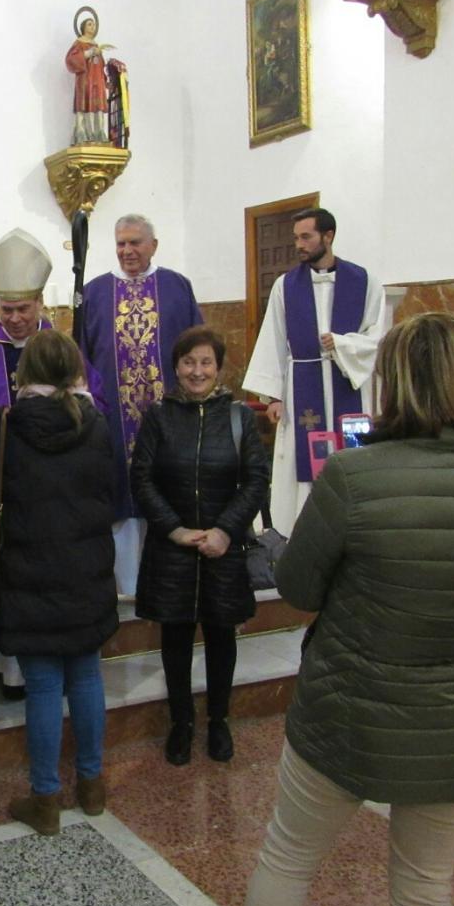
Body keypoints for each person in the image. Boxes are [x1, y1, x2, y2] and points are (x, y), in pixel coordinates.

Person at [239, 312, 454, 906]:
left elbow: (299, 589)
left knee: (289, 858)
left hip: (353, 711)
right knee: (425, 885)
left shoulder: (357, 477)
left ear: (394, 383)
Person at [0, 329, 120, 836]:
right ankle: (93, 787)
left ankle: (46, 799)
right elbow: (113, 487)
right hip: (87, 569)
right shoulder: (96, 423)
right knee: (86, 678)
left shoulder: (8, 425)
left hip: (29, 571)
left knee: (43, 686)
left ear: (25, 373)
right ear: (75, 370)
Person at [0, 228, 105, 695]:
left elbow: (94, 409)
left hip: (59, 497)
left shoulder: (65, 353)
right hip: (3, 494)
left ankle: (46, 674)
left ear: (40, 304)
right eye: (6, 309)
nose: (14, 319)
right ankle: (10, 673)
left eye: (23, 309)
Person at [130, 326, 270, 766]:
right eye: (189, 362)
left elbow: (255, 480)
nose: (197, 371)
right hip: (173, 546)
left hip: (222, 547)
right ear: (176, 366)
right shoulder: (158, 416)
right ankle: (181, 723)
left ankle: (219, 722)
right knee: (174, 637)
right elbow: (142, 478)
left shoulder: (239, 417)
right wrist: (173, 529)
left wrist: (225, 530)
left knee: (220, 636)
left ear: (218, 366)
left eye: (206, 362)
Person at [243, 208, 387, 535]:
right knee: (301, 462)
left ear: (329, 236)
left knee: (351, 459)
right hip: (301, 387)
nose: (299, 244)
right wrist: (274, 397)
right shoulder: (286, 286)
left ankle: (353, 529)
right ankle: (301, 534)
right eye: (296, 238)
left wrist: (341, 344)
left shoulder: (365, 282)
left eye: (305, 237)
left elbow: (376, 338)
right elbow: (274, 339)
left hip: (347, 384)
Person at [81, 213, 204, 595]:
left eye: (135, 242)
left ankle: (171, 583)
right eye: (120, 243)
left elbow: (198, 349)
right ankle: (127, 589)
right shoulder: (95, 292)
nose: (127, 250)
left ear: (153, 245)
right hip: (113, 420)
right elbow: (83, 358)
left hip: (168, 416)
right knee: (121, 496)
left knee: (170, 488)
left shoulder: (176, 286)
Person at [66, 9, 111, 144]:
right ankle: (82, 132)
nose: (93, 26)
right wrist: (89, 52)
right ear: (83, 27)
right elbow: (71, 59)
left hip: (97, 80)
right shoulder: (79, 43)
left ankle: (99, 132)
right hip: (85, 80)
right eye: (90, 24)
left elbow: (100, 65)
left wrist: (106, 79)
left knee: (98, 105)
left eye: (93, 24)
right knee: (84, 103)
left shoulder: (96, 44)